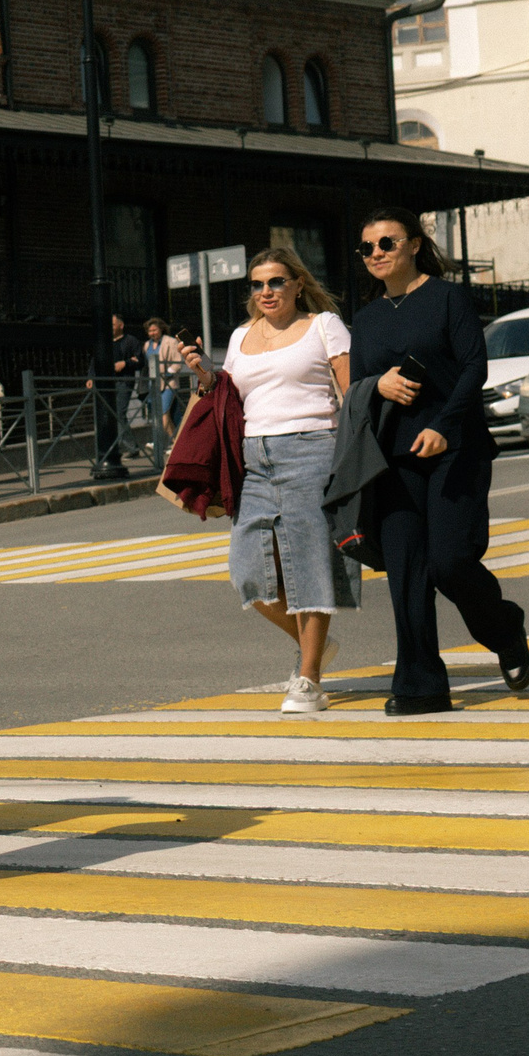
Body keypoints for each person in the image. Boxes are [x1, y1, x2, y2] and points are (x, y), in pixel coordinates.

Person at [349, 207, 529, 715]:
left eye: (386, 243)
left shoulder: (449, 298)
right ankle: (421, 685)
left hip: (456, 448)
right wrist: (377, 384)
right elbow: (357, 386)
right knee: (407, 571)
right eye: (367, 248)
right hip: (394, 459)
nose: (376, 254)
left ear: (413, 244)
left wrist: (443, 425)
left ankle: (505, 628)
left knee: (450, 561)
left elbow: (475, 366)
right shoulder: (364, 320)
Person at [177, 249, 356, 714]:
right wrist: (203, 374)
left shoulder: (323, 325)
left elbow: (351, 391)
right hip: (252, 458)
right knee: (248, 573)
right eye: (258, 285)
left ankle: (310, 678)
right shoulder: (240, 336)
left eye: (276, 282)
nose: (266, 293)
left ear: (297, 283)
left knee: (308, 563)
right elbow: (228, 396)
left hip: (312, 449)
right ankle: (315, 646)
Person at [91, 311, 141, 476]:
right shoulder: (104, 342)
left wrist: (125, 364)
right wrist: (91, 377)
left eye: (112, 325)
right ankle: (116, 448)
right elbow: (95, 360)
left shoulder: (130, 341)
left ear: (121, 325)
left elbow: (140, 360)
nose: (110, 328)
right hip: (107, 382)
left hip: (124, 381)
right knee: (107, 414)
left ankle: (130, 447)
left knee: (119, 412)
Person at [142, 318, 191, 434]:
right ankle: (178, 442)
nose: (152, 333)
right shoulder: (146, 345)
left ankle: (173, 442)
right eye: (150, 331)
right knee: (174, 415)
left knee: (163, 414)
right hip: (153, 385)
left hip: (169, 383)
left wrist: (168, 372)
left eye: (155, 330)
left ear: (161, 329)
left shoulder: (170, 341)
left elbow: (178, 361)